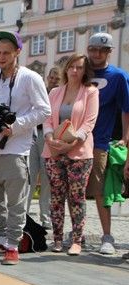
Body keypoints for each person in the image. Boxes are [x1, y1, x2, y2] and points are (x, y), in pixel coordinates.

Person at [0, 31, 51, 265]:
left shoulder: (30, 78)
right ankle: (2, 239)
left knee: (16, 202)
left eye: (6, 53)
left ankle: (13, 245)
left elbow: (44, 110)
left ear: (17, 52)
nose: (1, 57)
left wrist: (16, 126)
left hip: (17, 148)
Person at [42, 54, 98, 256]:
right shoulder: (55, 92)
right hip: (53, 151)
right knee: (56, 197)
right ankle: (57, 239)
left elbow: (89, 123)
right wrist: (50, 138)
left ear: (85, 70)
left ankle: (76, 240)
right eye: (72, 66)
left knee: (76, 197)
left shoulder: (91, 92)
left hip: (79, 153)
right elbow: (47, 119)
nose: (75, 70)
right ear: (66, 69)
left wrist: (71, 144)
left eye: (79, 67)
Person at [84, 32, 129, 255]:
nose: (97, 54)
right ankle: (77, 234)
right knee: (74, 191)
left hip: (100, 141)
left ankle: (107, 236)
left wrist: (125, 137)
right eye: (93, 49)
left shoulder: (118, 76)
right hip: (75, 141)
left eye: (102, 50)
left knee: (101, 190)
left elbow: (126, 110)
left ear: (109, 52)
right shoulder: (81, 72)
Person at [27, 66, 60, 229]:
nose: (53, 81)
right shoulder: (40, 91)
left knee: (47, 180)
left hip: (50, 137)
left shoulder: (60, 95)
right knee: (29, 177)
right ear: (47, 78)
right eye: (51, 78)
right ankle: (24, 214)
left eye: (57, 79)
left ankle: (45, 217)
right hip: (34, 135)